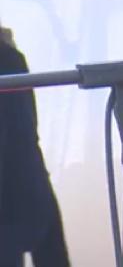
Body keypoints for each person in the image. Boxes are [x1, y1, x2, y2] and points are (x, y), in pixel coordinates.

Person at [0, 32, 71, 267]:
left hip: (20, 197)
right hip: (28, 191)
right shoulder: (10, 59)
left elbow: (20, 139)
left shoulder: (8, 60)